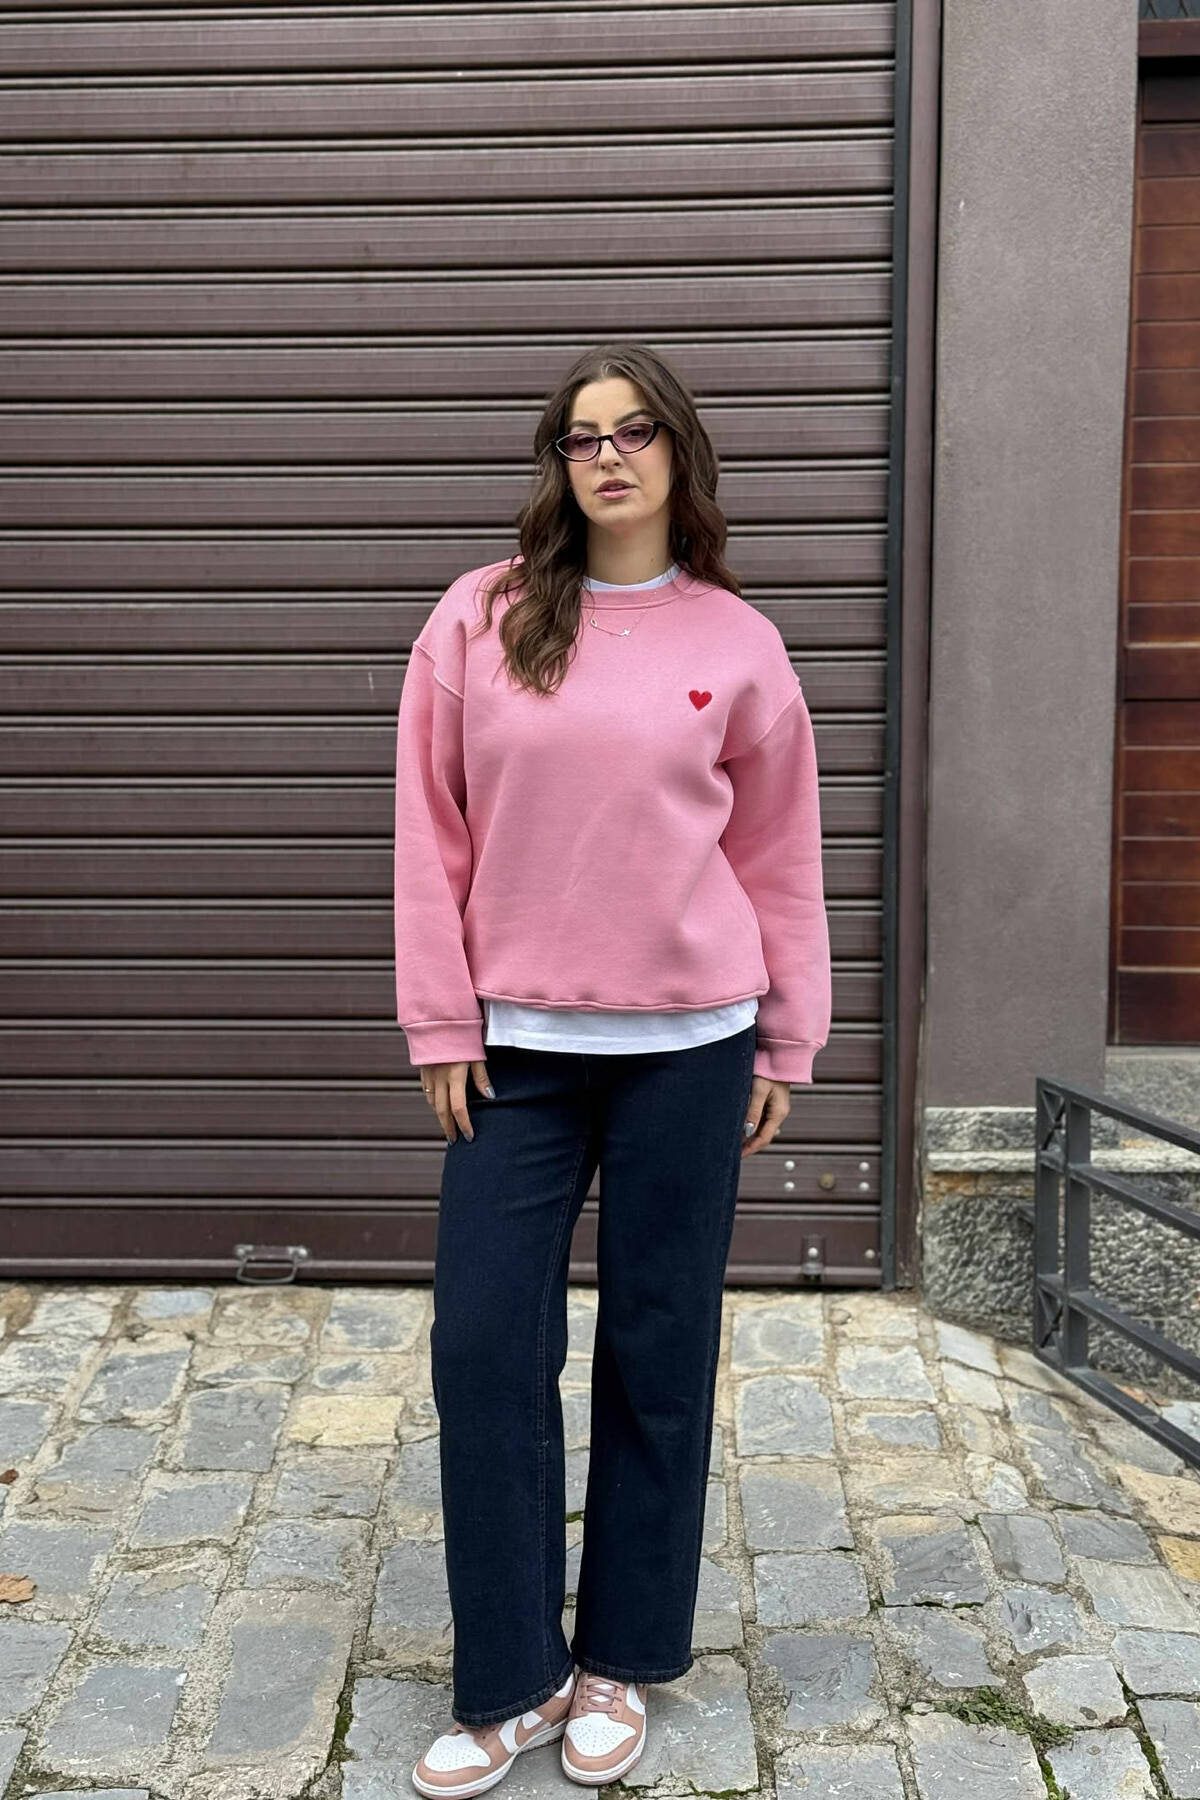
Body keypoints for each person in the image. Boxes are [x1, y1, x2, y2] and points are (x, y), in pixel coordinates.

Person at [394, 341, 831, 1796]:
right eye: (582, 436)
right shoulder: (482, 616)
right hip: (516, 1052)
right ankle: (511, 1674)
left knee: (660, 1350)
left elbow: (778, 854)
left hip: (691, 1052)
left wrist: (788, 1034)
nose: (609, 455)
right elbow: (429, 829)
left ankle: (619, 1659)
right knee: (483, 1349)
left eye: (636, 430)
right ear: (557, 463)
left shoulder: (739, 643)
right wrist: (442, 1021)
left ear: (678, 454)